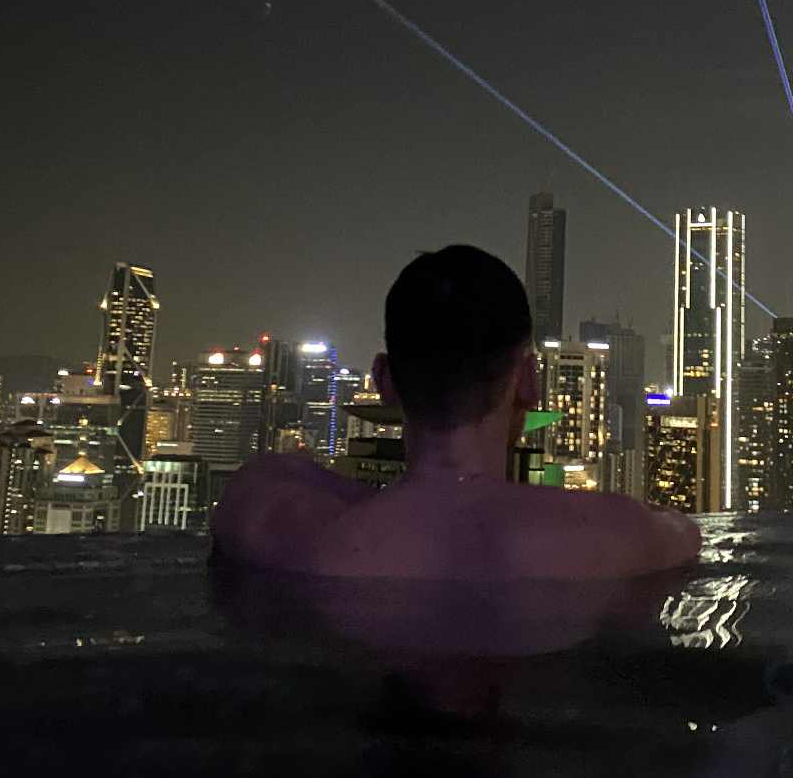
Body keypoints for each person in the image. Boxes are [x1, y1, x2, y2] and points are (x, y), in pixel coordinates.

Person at [213, 244, 700, 578]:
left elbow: (260, 481)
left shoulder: (288, 529)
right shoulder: (620, 540)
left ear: (384, 381)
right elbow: (685, 531)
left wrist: (384, 502)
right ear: (529, 380)